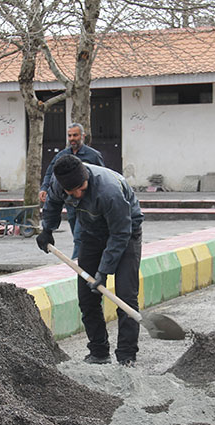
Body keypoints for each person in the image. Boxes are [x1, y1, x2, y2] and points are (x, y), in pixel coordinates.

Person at [36, 154, 143, 367]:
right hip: (92, 233)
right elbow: (53, 204)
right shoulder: (59, 184)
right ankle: (98, 351)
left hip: (126, 234)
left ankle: (126, 357)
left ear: (87, 179)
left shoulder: (109, 191)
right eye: (71, 192)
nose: (76, 195)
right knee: (87, 297)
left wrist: (104, 271)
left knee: (126, 296)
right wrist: (47, 229)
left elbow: (120, 233)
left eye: (81, 190)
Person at [39, 123, 105, 258]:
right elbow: (50, 173)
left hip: (87, 203)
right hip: (70, 204)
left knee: (81, 236)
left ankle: (78, 261)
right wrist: (44, 188)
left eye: (75, 135)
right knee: (77, 234)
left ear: (83, 136)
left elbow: (102, 178)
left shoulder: (93, 155)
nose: (72, 138)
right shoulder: (61, 156)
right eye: (70, 136)